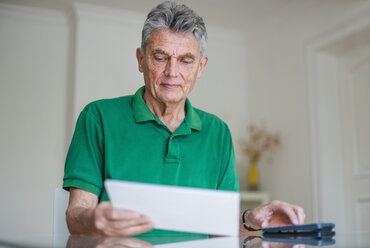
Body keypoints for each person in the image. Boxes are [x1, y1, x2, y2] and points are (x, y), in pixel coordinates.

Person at [63, 0, 305, 238]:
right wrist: (94, 220)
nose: (172, 72)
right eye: (160, 57)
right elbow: (76, 215)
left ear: (201, 67)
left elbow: (222, 228)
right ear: (141, 59)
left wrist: (251, 219)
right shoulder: (97, 117)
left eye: (186, 61)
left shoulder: (218, 132)